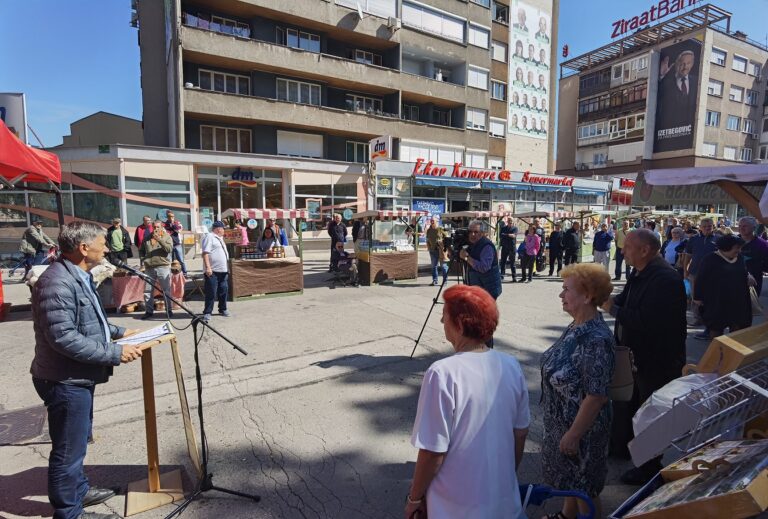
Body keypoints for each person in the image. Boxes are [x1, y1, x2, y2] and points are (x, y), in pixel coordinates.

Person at [30, 221, 141, 519]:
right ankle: (69, 513)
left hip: (75, 375)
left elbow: (87, 319)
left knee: (77, 443)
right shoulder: (57, 282)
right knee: (68, 451)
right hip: (63, 379)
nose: (106, 248)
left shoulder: (77, 274)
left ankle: (78, 491)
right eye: (102, 243)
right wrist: (114, 352)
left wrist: (118, 331)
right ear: (83, 248)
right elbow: (63, 337)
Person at [406, 285, 529, 519]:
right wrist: (502, 480)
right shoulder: (512, 365)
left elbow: (433, 452)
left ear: (460, 324)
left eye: (445, 317)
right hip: (505, 505)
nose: (442, 321)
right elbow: (520, 433)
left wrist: (414, 498)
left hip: (455, 509)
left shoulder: (442, 373)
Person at [601, 229, 687, 485]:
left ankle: (649, 467)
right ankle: (621, 447)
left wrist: (611, 308)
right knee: (627, 402)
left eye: (628, 246)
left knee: (650, 412)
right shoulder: (640, 272)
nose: (623, 250)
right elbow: (624, 299)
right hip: (635, 354)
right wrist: (599, 297)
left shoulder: (664, 278)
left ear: (645, 250)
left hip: (657, 358)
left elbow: (646, 321)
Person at [541, 264, 615, 519]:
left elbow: (596, 396)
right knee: (573, 482)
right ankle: (566, 515)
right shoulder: (577, 325)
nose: (561, 295)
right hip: (565, 421)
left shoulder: (595, 338)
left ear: (587, 296)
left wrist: (573, 435)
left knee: (585, 489)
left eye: (566, 290)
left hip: (584, 430)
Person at [693, 234, 752, 339]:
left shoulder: (739, 258)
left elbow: (743, 270)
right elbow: (700, 279)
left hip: (737, 300)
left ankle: (734, 352)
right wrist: (697, 297)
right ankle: (718, 352)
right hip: (717, 301)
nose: (739, 250)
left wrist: (748, 276)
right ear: (726, 247)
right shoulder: (710, 259)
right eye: (737, 248)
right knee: (716, 328)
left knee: (737, 327)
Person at [683, 218, 717, 338]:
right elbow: (688, 256)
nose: (708, 228)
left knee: (709, 300)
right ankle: (698, 319)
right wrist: (685, 271)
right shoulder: (693, 239)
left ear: (713, 226)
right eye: (705, 226)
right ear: (700, 227)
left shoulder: (718, 239)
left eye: (710, 226)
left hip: (712, 275)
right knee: (695, 298)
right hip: (694, 273)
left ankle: (708, 324)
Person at [139, 220, 174, 320]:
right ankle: (149, 311)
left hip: (163, 266)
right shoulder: (147, 238)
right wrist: (143, 259)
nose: (155, 229)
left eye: (157, 227)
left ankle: (169, 310)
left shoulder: (167, 237)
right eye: (154, 227)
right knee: (148, 290)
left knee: (166, 290)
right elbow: (141, 250)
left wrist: (160, 240)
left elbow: (169, 249)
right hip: (149, 267)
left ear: (161, 227)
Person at [656, 50, 698, 130]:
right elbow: (657, 98)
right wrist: (662, 76)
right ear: (677, 64)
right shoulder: (667, 82)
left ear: (692, 64)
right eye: (682, 63)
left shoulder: (696, 82)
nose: (685, 67)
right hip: (668, 131)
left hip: (688, 132)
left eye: (688, 63)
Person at [460, 220, 502, 300]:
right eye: (470, 232)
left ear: (482, 233)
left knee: (484, 312)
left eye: (476, 232)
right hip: (477, 288)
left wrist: (467, 257)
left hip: (488, 290)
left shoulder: (486, 246)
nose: (472, 234)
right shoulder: (471, 243)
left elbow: (484, 267)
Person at [201, 221, 231, 322]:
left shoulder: (220, 238)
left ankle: (223, 309)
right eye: (223, 228)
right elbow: (205, 253)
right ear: (218, 229)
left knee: (223, 291)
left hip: (223, 270)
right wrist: (208, 268)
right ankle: (207, 312)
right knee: (211, 292)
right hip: (213, 271)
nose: (224, 230)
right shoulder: (210, 236)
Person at [738, 216, 768, 296]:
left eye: (745, 226)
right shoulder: (732, 241)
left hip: (753, 283)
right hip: (733, 282)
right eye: (740, 226)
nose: (741, 228)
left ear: (754, 227)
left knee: (751, 307)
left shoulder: (763, 244)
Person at [425, 217, 449, 286]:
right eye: (431, 220)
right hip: (432, 251)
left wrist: (443, 244)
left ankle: (445, 281)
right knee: (433, 266)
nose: (432, 222)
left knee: (443, 266)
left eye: (433, 221)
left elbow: (447, 238)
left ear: (437, 221)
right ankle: (435, 280)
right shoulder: (429, 230)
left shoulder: (440, 229)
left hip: (441, 251)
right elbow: (427, 239)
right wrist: (429, 247)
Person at [163, 211, 187, 275]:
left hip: (177, 244)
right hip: (169, 245)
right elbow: (164, 233)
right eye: (169, 216)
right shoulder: (164, 224)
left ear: (174, 216)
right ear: (167, 217)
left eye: (172, 216)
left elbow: (178, 230)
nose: (171, 218)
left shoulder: (178, 223)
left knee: (181, 260)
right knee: (170, 261)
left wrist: (173, 224)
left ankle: (184, 272)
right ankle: (171, 273)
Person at [499, 217, 518, 282]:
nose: (510, 221)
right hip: (504, 247)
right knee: (503, 262)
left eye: (511, 221)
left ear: (513, 221)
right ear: (507, 221)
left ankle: (514, 277)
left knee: (512, 263)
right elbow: (501, 235)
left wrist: (506, 235)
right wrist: (509, 235)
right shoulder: (503, 228)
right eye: (509, 220)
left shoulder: (515, 228)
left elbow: (514, 236)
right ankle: (502, 275)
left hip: (512, 248)